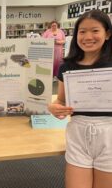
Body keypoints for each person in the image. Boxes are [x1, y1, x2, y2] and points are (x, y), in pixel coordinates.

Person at [48, 9, 112, 188]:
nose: (88, 36)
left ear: (107, 34)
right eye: (82, 31)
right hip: (78, 133)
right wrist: (54, 108)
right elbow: (60, 100)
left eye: (95, 30)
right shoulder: (68, 66)